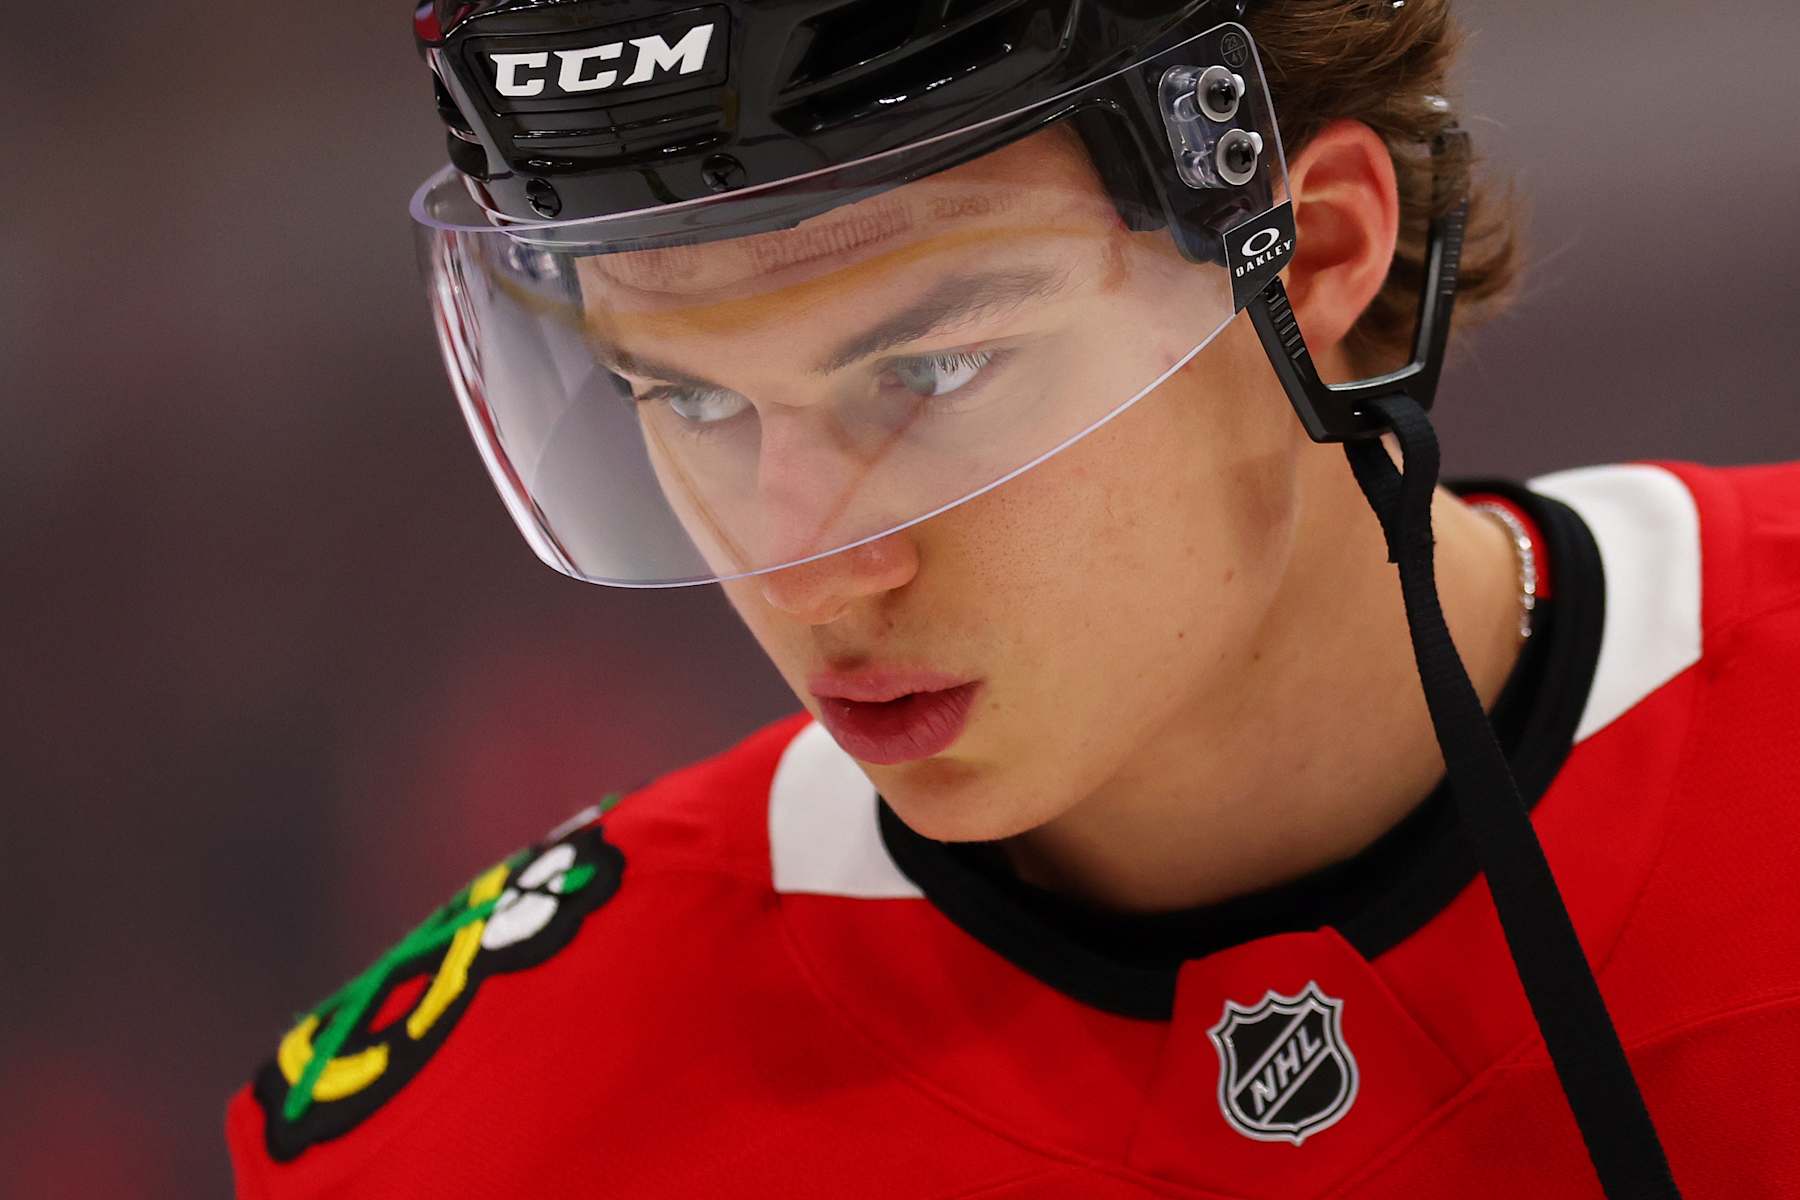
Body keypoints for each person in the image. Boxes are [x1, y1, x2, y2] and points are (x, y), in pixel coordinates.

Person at [226, 0, 1800, 1196]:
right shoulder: (495, 1127)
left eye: (933, 370)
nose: (805, 561)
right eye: (691, 401)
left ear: (1311, 254)